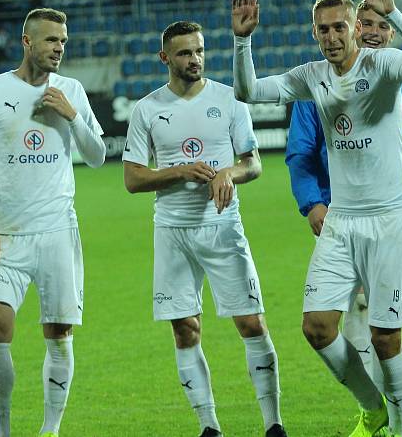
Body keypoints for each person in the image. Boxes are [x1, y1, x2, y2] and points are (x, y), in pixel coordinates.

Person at [232, 0, 402, 437]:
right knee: (317, 328)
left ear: (356, 27)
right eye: (323, 29)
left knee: (386, 337)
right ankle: (374, 409)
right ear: (315, 32)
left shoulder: (383, 66)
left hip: (391, 216)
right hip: (342, 220)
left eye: (340, 27)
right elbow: (248, 91)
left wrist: (395, 14)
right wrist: (243, 41)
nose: (331, 36)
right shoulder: (311, 77)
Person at [122, 21, 287, 437]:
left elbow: (253, 163)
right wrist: (179, 172)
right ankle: (209, 425)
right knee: (185, 327)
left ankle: (274, 424)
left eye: (198, 51)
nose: (193, 59)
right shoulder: (147, 109)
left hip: (222, 227)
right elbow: (133, 180)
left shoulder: (230, 98)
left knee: (251, 322)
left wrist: (227, 173)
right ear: (165, 58)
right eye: (183, 53)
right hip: (173, 232)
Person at [0, 7, 106, 437]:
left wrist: (72, 115)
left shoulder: (71, 91)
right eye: (50, 40)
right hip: (6, 235)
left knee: (59, 334)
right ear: (27, 42)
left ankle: (50, 430)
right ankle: (0, 432)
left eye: (62, 40)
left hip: (59, 232)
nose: (58, 48)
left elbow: (98, 157)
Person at [284, 0, 402, 386]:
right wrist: (313, 203)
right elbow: (300, 152)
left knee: (379, 317)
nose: (373, 31)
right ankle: (374, 403)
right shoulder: (317, 85)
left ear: (391, 34)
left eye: (382, 25)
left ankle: (382, 405)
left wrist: (378, 67)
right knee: (340, 313)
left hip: (382, 207)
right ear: (355, 30)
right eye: (365, 24)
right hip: (337, 211)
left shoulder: (395, 80)